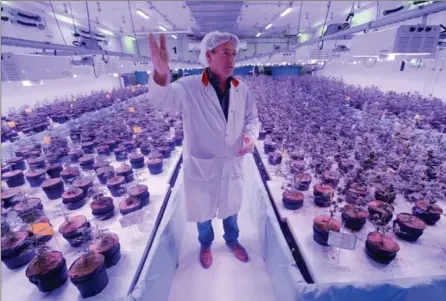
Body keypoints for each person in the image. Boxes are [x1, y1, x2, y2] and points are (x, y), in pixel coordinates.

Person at [147, 31, 260, 269]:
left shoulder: (242, 88)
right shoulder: (189, 87)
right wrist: (159, 72)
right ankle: (206, 244)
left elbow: (252, 118)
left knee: (231, 209)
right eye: (225, 53)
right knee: (204, 211)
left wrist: (250, 136)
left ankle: (232, 240)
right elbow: (163, 100)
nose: (231, 59)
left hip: (231, 163)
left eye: (234, 54)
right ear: (209, 56)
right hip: (203, 164)